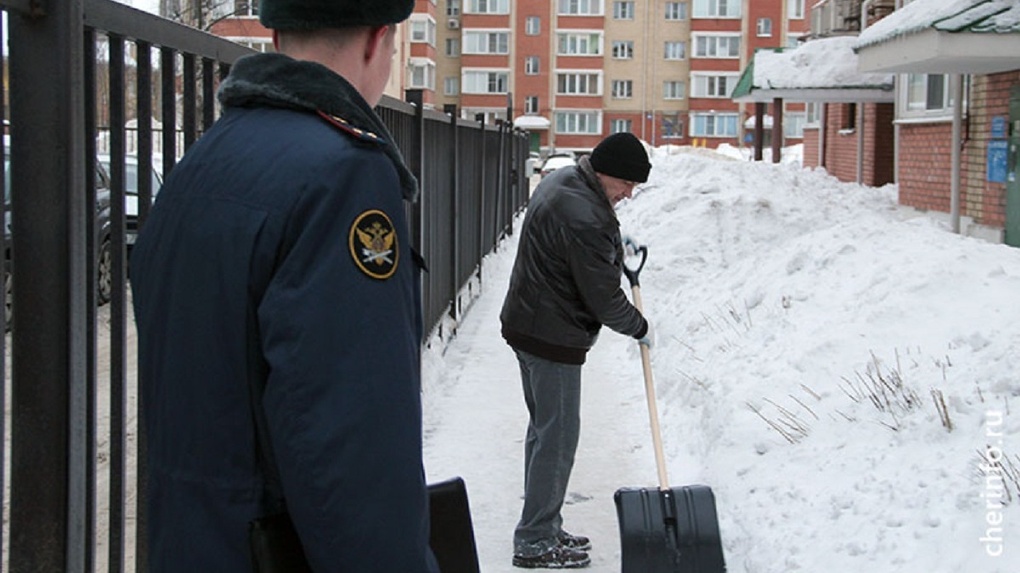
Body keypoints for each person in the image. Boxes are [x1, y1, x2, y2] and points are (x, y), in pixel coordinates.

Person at [129, 0, 439, 571]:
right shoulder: (344, 172)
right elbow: (352, 444)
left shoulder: (203, 161)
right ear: (378, 41)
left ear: (274, 36)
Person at [500, 132, 653, 569]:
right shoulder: (587, 217)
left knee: (544, 431)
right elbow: (604, 301)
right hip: (552, 337)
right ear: (604, 173)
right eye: (625, 184)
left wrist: (612, 249)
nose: (628, 194)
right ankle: (533, 540)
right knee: (558, 438)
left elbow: (577, 248)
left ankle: (543, 525)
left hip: (527, 324)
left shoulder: (564, 180)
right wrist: (639, 326)